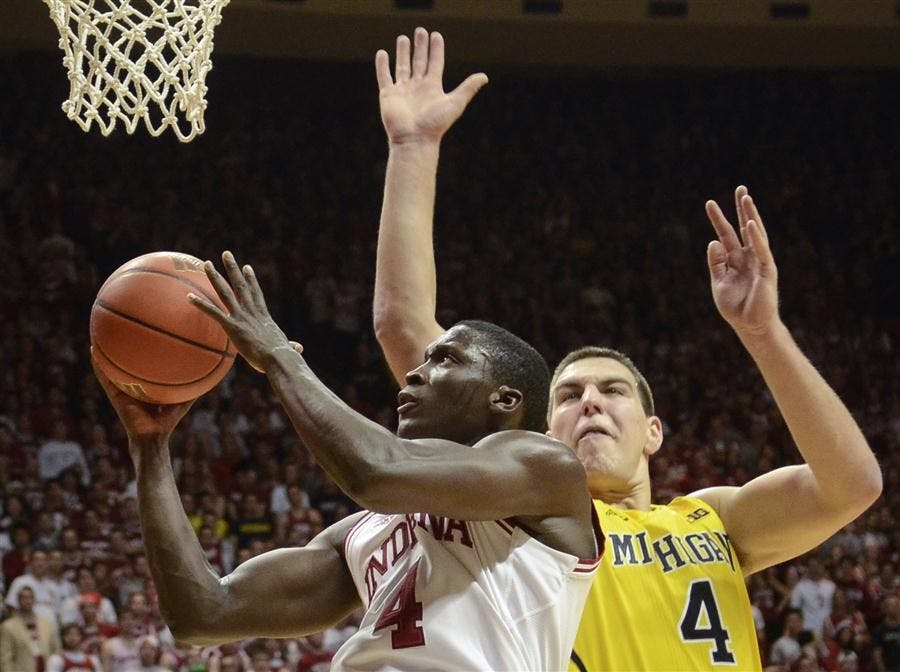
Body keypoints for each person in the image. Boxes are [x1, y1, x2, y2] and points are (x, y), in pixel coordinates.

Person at [370, 27, 883, 671]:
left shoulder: (714, 520)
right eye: (567, 395)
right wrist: (413, 148)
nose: (589, 401)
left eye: (612, 390)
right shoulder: (524, 512)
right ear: (541, 435)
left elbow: (852, 485)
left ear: (653, 431)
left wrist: (764, 332)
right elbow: (404, 327)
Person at [92, 249, 600, 671]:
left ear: (505, 400)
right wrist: (150, 449)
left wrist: (279, 355)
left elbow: (377, 471)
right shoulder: (364, 532)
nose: (416, 373)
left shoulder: (544, 466)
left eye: (445, 359)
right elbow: (203, 614)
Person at [0, 585, 61, 672]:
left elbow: (56, 650)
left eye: (30, 597)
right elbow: (5, 658)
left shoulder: (46, 624)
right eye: (24, 598)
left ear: (34, 600)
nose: (27, 601)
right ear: (18, 600)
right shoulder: (8, 626)